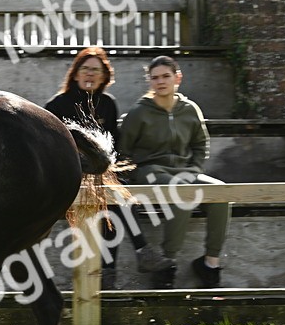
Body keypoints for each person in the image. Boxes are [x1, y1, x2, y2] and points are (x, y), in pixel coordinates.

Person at [44, 47, 173, 286]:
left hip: (102, 178)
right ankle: (139, 252)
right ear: (75, 73)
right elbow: (47, 150)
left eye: (96, 70)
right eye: (85, 69)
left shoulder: (108, 104)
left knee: (112, 198)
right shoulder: (57, 106)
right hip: (66, 179)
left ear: (105, 76)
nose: (90, 74)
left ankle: (109, 276)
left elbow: (114, 147)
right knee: (112, 196)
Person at [117, 55, 230, 288]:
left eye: (166, 76)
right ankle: (167, 263)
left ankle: (210, 263)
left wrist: (195, 169)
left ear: (177, 78)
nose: (160, 82)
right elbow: (123, 151)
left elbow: (201, 145)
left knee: (221, 192)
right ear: (149, 81)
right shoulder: (140, 112)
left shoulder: (190, 110)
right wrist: (133, 177)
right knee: (183, 190)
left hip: (183, 171)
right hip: (148, 171)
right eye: (155, 77)